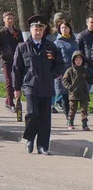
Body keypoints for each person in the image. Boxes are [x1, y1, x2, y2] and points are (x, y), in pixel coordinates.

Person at [13, 15, 66, 155]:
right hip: (30, 85)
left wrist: (53, 74)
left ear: (44, 31)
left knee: (45, 117)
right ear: (31, 30)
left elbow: (59, 65)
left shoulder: (51, 47)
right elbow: (16, 69)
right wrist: (16, 88)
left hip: (46, 85)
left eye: (40, 29)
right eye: (35, 29)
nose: (38, 32)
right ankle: (30, 138)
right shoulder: (23, 47)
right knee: (32, 113)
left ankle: (43, 146)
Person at [0, 12, 21, 113]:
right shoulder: (0, 32)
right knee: (9, 81)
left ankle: (8, 99)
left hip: (17, 60)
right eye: (8, 18)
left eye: (12, 18)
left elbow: (21, 44)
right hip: (6, 61)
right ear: (4, 19)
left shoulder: (17, 32)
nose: (10, 20)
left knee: (17, 81)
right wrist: (2, 55)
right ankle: (10, 104)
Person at [53, 21, 79, 115]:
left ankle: (72, 114)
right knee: (64, 93)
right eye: (62, 28)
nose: (64, 29)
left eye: (66, 27)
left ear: (70, 29)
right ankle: (68, 116)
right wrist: (57, 72)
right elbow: (55, 58)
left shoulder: (74, 42)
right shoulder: (57, 43)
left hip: (75, 71)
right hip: (63, 71)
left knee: (73, 94)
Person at [61, 51, 90, 131]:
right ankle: (70, 122)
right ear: (73, 61)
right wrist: (69, 87)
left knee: (84, 109)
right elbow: (64, 80)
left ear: (82, 61)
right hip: (73, 93)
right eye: (76, 59)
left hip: (83, 93)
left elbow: (89, 79)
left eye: (80, 59)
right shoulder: (70, 70)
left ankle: (84, 124)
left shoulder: (85, 70)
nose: (78, 61)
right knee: (72, 109)